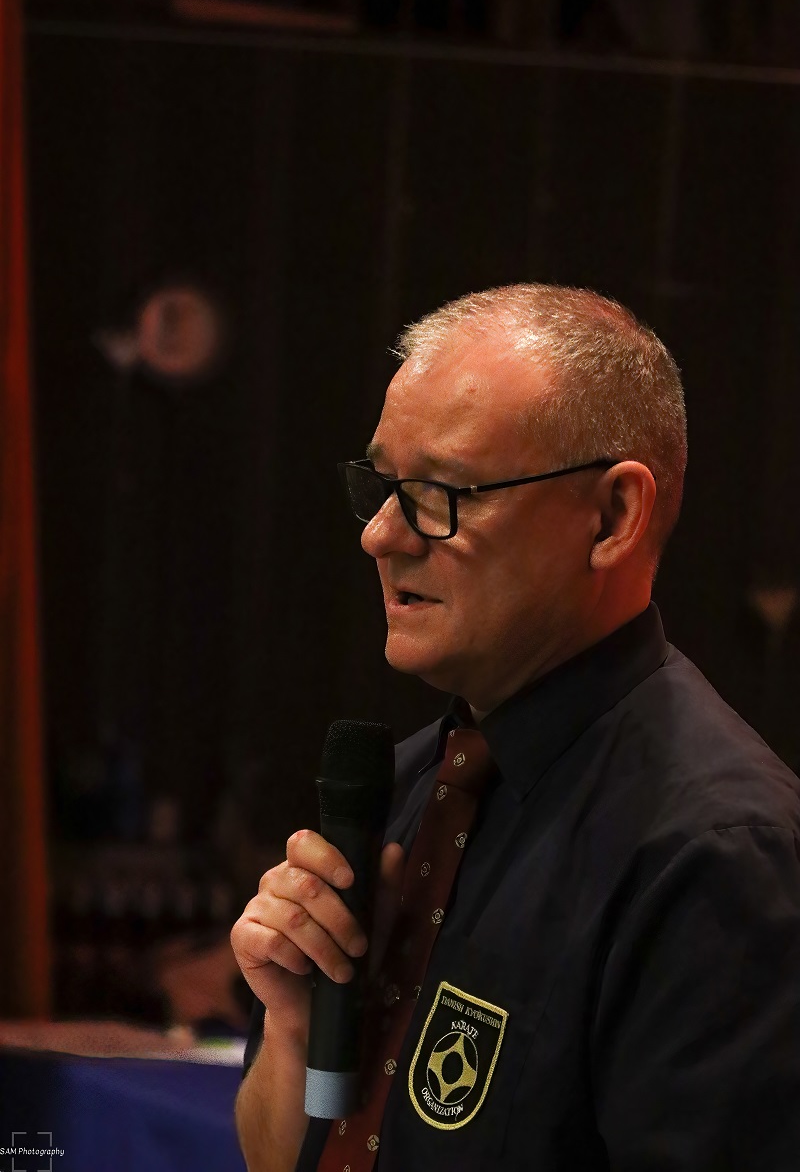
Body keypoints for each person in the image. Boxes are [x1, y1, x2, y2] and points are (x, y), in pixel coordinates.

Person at [231, 284, 800, 1171]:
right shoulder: (412, 786)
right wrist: (296, 1028)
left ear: (612, 518)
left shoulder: (714, 852)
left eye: (439, 492)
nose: (380, 535)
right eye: (381, 486)